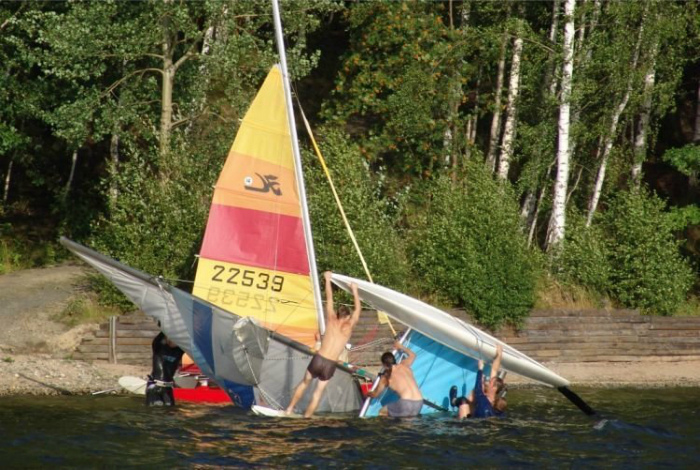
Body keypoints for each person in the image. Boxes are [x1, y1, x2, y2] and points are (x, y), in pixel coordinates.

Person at [285, 271, 361, 417]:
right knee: (318, 392)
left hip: (319, 358)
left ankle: (289, 409)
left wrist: (327, 280)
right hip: (330, 364)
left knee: (304, 383)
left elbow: (329, 298)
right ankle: (307, 417)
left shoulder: (331, 319)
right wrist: (355, 290)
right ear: (347, 316)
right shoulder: (349, 326)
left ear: (338, 314)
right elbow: (358, 310)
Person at [366, 341, 423, 418]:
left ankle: (393, 425)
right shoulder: (404, 365)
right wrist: (400, 346)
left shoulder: (386, 376)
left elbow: (375, 394)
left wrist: (368, 393)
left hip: (405, 403)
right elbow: (413, 355)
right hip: (419, 402)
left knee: (382, 412)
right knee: (408, 421)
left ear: (384, 365)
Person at [450, 344, 507, 419]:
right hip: (476, 412)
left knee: (465, 400)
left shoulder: (485, 401)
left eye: (490, 382)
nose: (488, 380)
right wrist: (499, 355)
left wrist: (480, 369)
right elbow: (494, 370)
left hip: (471, 419)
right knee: (471, 398)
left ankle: (454, 403)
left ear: (494, 388)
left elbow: (478, 389)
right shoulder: (492, 394)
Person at [146, 331, 184, 406]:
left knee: (170, 410)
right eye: (170, 337)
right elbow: (163, 332)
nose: (172, 340)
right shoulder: (158, 347)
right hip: (155, 385)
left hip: (168, 387)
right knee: (155, 410)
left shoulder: (179, 351)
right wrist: (166, 328)